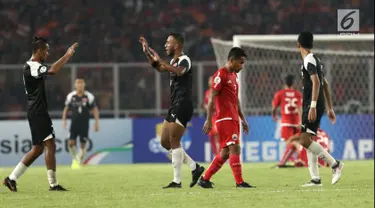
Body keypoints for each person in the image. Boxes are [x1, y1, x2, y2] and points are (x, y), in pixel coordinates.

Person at [3, 36, 78, 192]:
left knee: (38, 149)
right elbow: (53, 70)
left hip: (37, 110)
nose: (48, 54)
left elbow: (50, 69)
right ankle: (53, 185)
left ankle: (11, 179)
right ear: (39, 51)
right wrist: (67, 55)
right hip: (38, 112)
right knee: (50, 143)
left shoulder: (34, 66)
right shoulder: (32, 66)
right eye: (46, 51)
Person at [139, 33, 205, 189]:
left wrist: (160, 60)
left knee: (174, 141)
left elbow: (180, 71)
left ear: (176, 45)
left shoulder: (184, 60)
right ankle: (195, 167)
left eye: (168, 42)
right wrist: (147, 53)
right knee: (164, 142)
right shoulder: (173, 61)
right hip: (174, 104)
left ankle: (177, 181)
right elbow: (159, 67)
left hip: (183, 104)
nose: (165, 45)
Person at [198, 47, 255, 188]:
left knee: (224, 153)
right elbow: (212, 97)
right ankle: (240, 182)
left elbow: (236, 100)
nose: (242, 66)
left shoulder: (234, 76)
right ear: (231, 60)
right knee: (235, 149)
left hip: (233, 117)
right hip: (225, 118)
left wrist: (243, 119)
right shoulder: (221, 74)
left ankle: (204, 179)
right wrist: (209, 119)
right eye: (240, 63)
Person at [294, 31, 343, 186]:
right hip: (316, 103)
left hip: (312, 104)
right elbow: (325, 83)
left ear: (298, 45)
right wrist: (329, 108)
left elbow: (316, 82)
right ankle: (315, 179)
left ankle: (335, 164)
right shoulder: (316, 60)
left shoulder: (308, 59)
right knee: (308, 139)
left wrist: (313, 106)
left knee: (303, 139)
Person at [62, 78, 100, 169]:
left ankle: (78, 161)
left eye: (81, 83)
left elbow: (95, 109)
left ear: (84, 85)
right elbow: (66, 109)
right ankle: (75, 158)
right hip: (74, 124)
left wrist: (96, 122)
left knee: (83, 144)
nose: (79, 85)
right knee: (71, 143)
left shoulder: (89, 96)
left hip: (84, 124)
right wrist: (64, 120)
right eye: (78, 83)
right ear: (75, 85)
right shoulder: (71, 96)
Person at [271, 74, 302, 167]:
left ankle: (302, 158)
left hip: (286, 122)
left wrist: (274, 116)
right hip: (296, 122)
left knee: (291, 142)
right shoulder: (298, 94)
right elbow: (299, 107)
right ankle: (297, 159)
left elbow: (274, 107)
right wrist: (300, 121)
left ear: (284, 83)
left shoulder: (280, 94)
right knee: (296, 141)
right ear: (293, 83)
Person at [203, 76, 220, 156]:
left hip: (217, 116)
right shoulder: (207, 92)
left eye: (212, 80)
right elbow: (205, 104)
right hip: (210, 117)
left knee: (218, 135)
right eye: (209, 80)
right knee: (211, 136)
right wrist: (206, 107)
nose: (210, 82)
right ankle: (215, 154)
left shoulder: (217, 92)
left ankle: (221, 154)